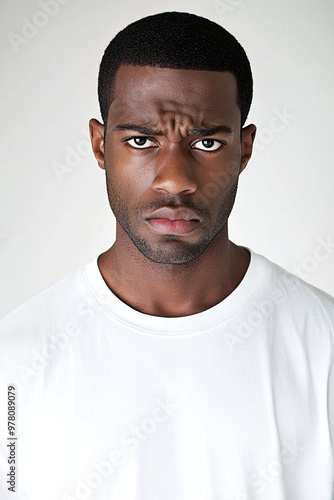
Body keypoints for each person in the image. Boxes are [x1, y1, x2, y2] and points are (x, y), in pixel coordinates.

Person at [0, 11, 333, 500]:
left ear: (244, 149)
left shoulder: (324, 347)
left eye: (207, 142)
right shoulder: (14, 360)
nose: (175, 179)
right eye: (141, 140)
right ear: (99, 145)